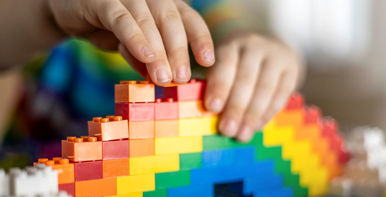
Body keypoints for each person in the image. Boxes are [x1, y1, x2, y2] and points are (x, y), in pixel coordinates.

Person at [0, 0, 303, 161]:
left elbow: (245, 32)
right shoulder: (49, 23)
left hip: (159, 190)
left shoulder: (203, 10)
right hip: (42, 181)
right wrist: (48, 12)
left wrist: (269, 52)